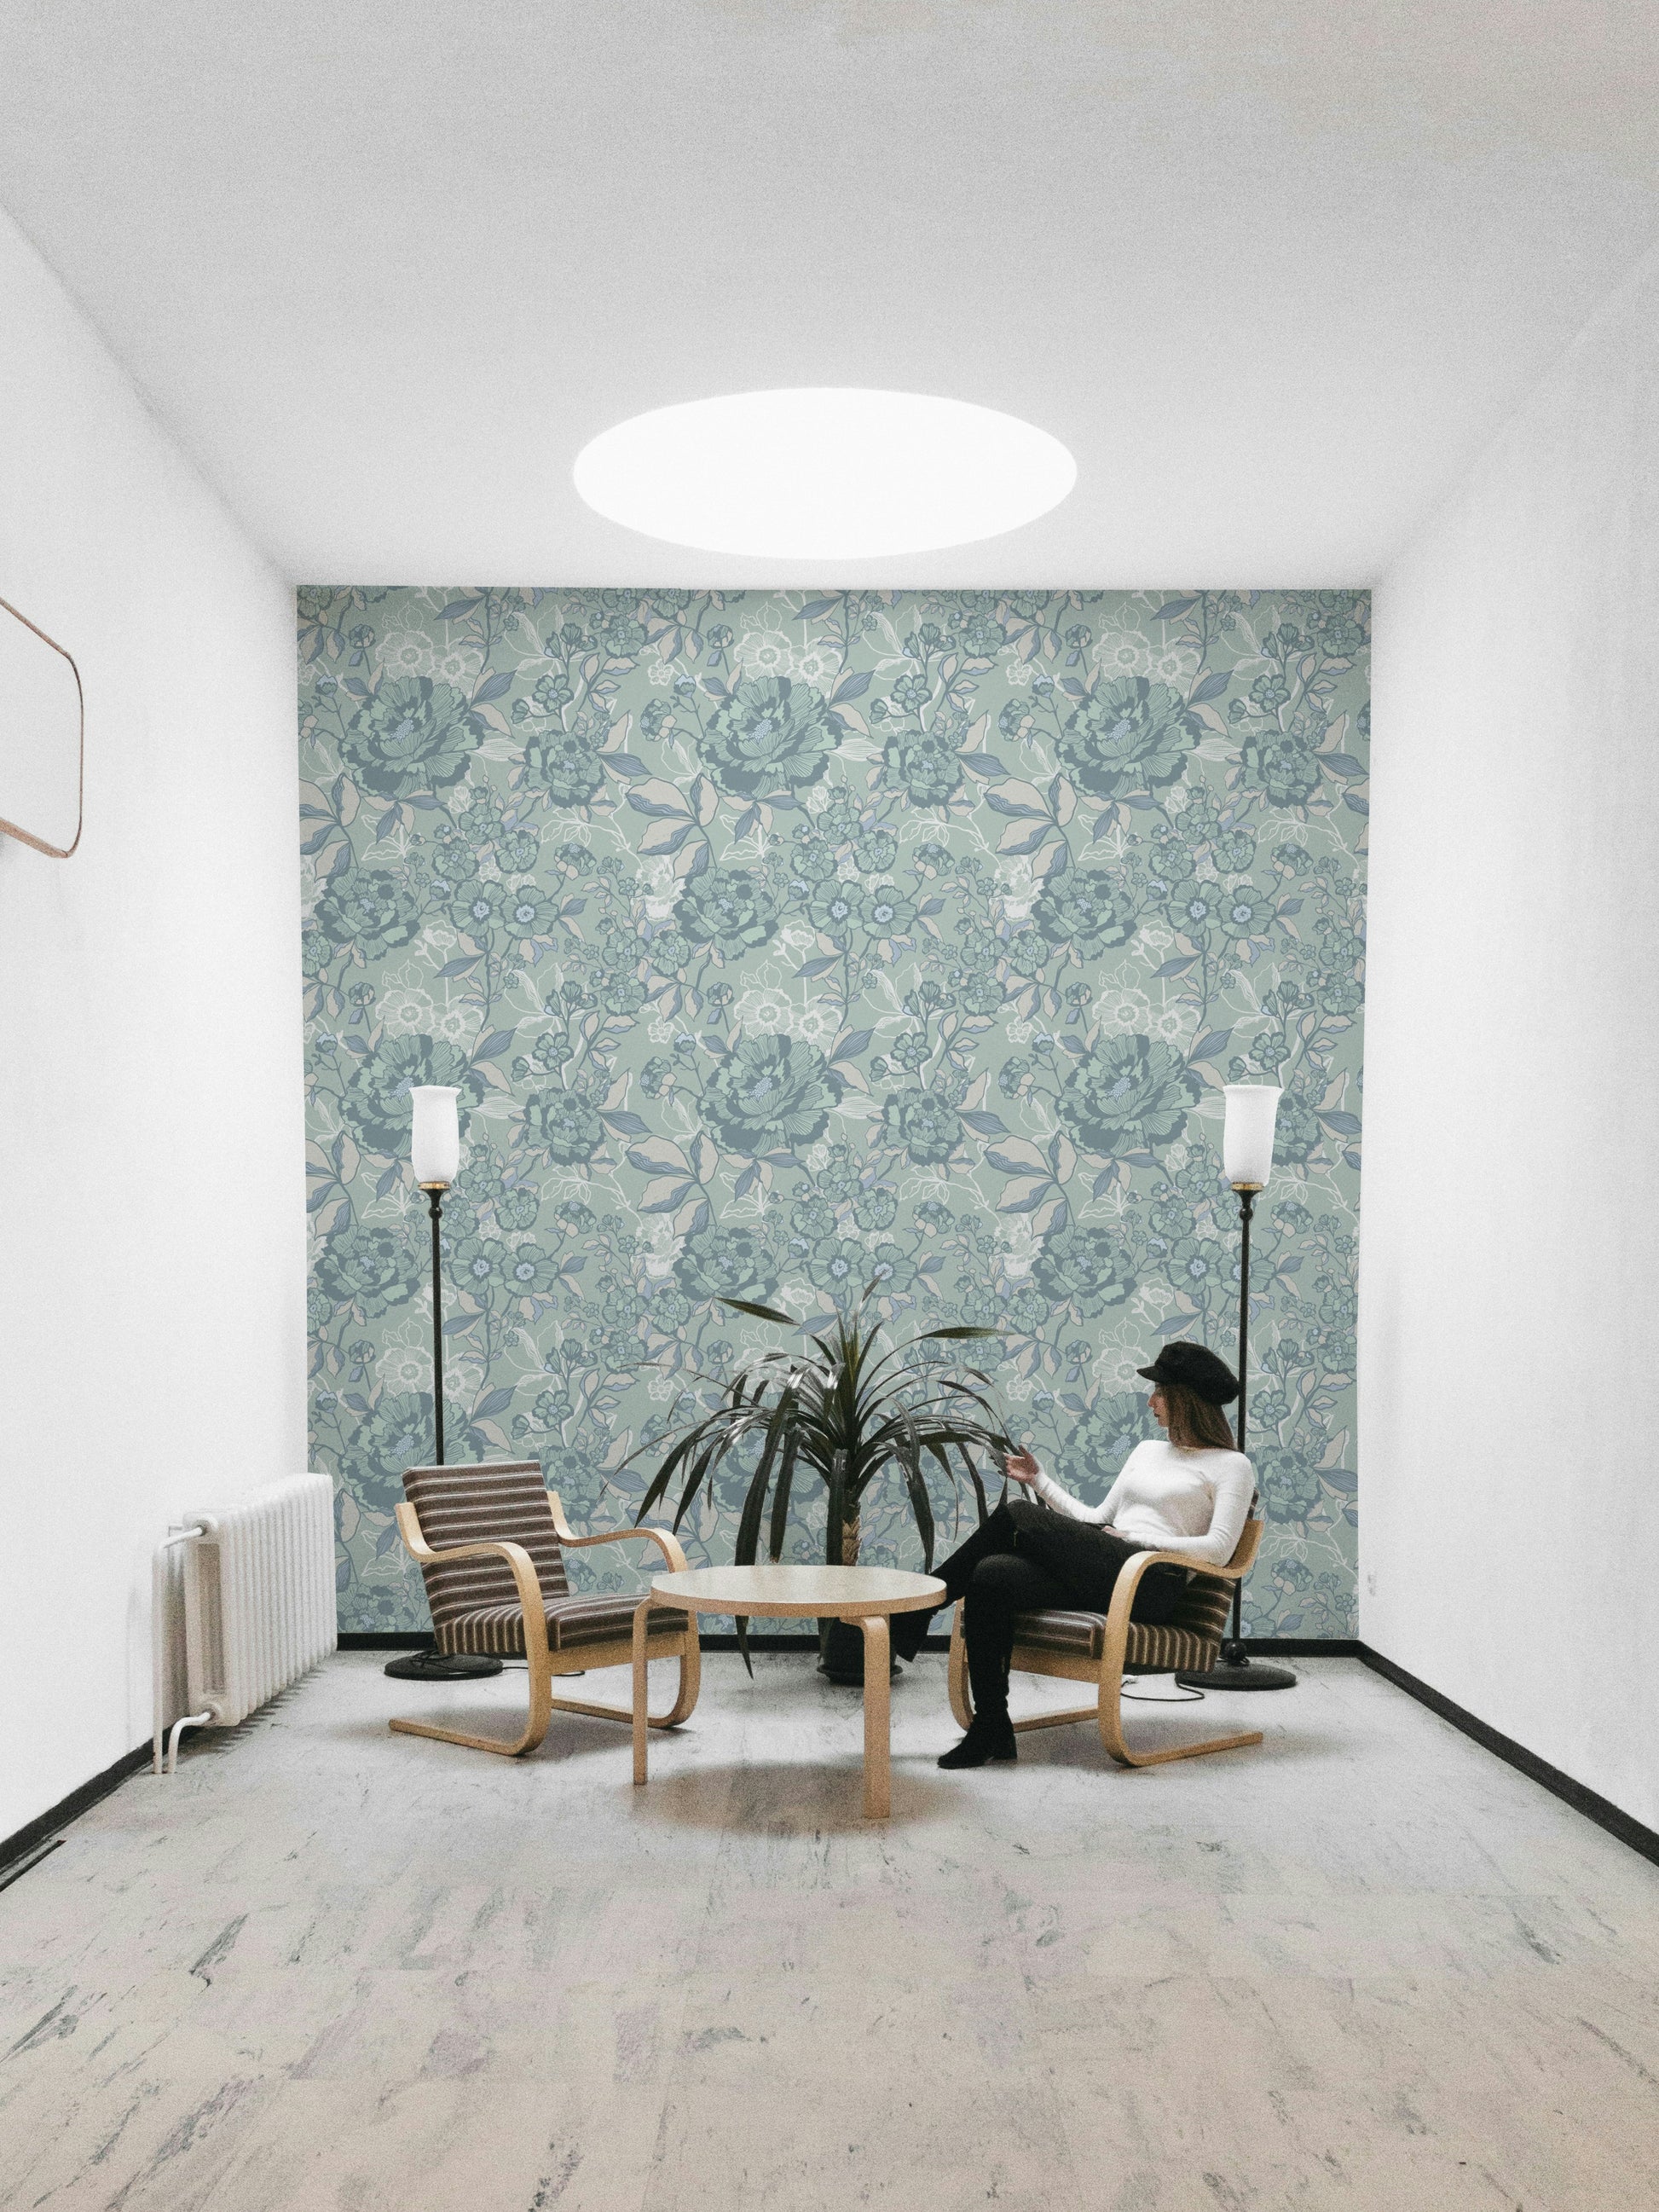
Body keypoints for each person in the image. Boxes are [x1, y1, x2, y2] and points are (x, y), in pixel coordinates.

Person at [893, 1341, 1256, 1769]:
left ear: (1185, 1399)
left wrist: (1140, 1543)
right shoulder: (1147, 1451)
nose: (1151, 1401)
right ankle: (991, 1726)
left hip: (1151, 1583)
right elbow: (1096, 1518)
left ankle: (919, 1608)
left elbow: (1220, 1550)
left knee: (1015, 1514)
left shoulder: (1233, 1466)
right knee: (993, 1573)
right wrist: (1039, 1480)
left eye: (1160, 1393)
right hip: (1108, 1567)